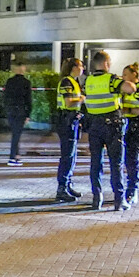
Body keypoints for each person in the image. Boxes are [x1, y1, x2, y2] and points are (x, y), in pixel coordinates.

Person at [80, 51, 125, 210]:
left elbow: (84, 97)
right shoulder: (112, 79)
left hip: (94, 126)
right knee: (116, 163)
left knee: (95, 163)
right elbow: (129, 88)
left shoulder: (88, 80)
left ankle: (96, 198)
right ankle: (119, 200)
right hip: (112, 125)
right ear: (107, 63)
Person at [119, 63, 139, 202]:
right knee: (122, 157)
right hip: (125, 124)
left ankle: (132, 189)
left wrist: (130, 111)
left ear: (134, 74)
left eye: (126, 74)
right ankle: (123, 188)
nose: (123, 77)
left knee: (132, 157)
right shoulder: (124, 89)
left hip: (137, 124)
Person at [53, 59, 84, 202]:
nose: (82, 68)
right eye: (81, 66)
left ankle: (67, 184)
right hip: (67, 121)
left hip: (72, 121)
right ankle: (62, 189)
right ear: (74, 67)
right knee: (67, 155)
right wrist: (82, 99)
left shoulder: (73, 81)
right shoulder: (67, 82)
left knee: (72, 155)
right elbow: (68, 102)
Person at [3, 64, 32, 164]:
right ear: (23, 69)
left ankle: (16, 154)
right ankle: (12, 157)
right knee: (17, 134)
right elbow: (28, 99)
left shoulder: (10, 82)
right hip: (21, 111)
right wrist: (28, 114)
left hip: (11, 110)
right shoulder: (26, 83)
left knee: (15, 133)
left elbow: (5, 97)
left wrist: (7, 109)